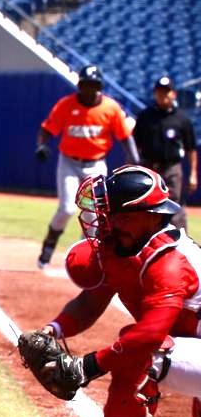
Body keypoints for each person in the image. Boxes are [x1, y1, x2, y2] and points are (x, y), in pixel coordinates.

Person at [32, 165, 201, 417]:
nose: (108, 222)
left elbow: (151, 334)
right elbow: (90, 302)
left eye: (118, 214)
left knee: (145, 352)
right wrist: (52, 330)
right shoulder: (123, 245)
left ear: (151, 216)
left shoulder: (170, 262)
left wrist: (88, 366)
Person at [34, 65, 138, 269]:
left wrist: (134, 157)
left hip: (96, 164)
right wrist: (41, 145)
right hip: (69, 163)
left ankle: (85, 260)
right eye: (86, 84)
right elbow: (47, 129)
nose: (89, 89)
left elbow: (125, 136)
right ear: (79, 85)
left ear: (99, 87)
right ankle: (48, 248)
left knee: (93, 216)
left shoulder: (110, 108)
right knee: (66, 208)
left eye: (94, 85)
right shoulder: (66, 105)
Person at [132, 75, 197, 230]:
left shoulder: (181, 119)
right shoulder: (145, 116)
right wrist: (135, 164)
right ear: (155, 93)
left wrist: (193, 173)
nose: (163, 95)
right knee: (145, 205)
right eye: (160, 92)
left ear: (173, 94)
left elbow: (191, 148)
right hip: (149, 167)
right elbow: (135, 142)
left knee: (175, 207)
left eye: (166, 91)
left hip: (171, 168)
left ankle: (182, 244)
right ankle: (145, 245)